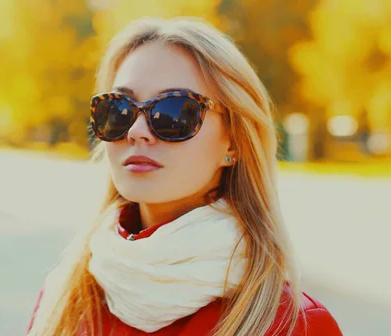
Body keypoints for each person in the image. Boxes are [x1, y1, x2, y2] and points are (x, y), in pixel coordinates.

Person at [26, 17, 343, 336]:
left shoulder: (294, 326)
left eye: (174, 111)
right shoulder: (64, 298)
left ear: (233, 140)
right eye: (118, 109)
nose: (137, 132)